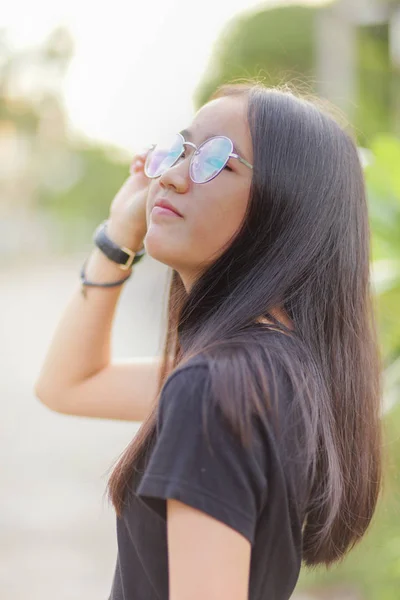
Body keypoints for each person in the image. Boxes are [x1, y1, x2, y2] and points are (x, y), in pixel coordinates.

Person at [34, 82, 384, 600]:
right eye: (179, 148)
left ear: (286, 211)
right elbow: (68, 385)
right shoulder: (273, 372)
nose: (172, 176)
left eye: (218, 161)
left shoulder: (216, 389)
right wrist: (118, 236)